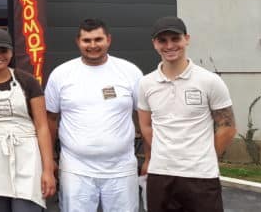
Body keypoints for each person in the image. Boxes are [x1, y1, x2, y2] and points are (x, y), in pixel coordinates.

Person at [137, 16, 236, 212]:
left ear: (187, 39)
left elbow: (228, 128)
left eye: (175, 39)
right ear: (154, 44)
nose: (169, 45)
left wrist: (204, 156)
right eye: (162, 40)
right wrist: (165, 153)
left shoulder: (209, 81)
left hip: (201, 176)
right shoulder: (146, 83)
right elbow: (146, 126)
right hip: (160, 175)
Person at [44, 18, 143, 212]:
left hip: (121, 168)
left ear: (109, 40)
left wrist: (148, 156)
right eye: (86, 40)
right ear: (78, 42)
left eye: (98, 39)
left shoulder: (130, 72)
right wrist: (51, 160)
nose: (92, 45)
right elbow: (50, 120)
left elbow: (144, 118)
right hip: (76, 169)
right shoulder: (61, 74)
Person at [0, 28, 56, 212]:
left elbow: (42, 127)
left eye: (3, 51)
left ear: (11, 53)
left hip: (27, 158)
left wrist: (48, 169)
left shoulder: (28, 82)